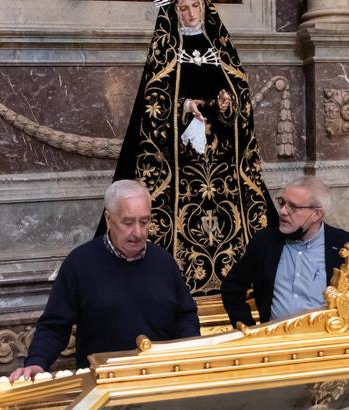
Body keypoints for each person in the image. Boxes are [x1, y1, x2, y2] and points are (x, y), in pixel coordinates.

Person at [99, 0, 278, 296]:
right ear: (173, 12)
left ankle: (236, 287)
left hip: (222, 168)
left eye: (196, 6)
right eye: (184, 8)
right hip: (180, 165)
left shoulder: (221, 51)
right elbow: (153, 105)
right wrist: (184, 106)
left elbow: (240, 101)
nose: (192, 14)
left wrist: (225, 107)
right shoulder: (166, 53)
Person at [10, 180, 200, 380]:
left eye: (144, 222)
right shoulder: (80, 264)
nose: (138, 232)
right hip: (102, 384)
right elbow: (54, 325)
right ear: (109, 220)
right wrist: (37, 362)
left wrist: (189, 358)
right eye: (128, 222)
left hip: (160, 379)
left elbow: (185, 317)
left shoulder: (164, 262)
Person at [221, 176, 349, 327]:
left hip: (328, 347)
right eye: (282, 203)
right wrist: (249, 331)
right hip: (275, 345)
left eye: (293, 207)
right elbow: (232, 289)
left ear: (317, 214)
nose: (283, 212)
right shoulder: (264, 243)